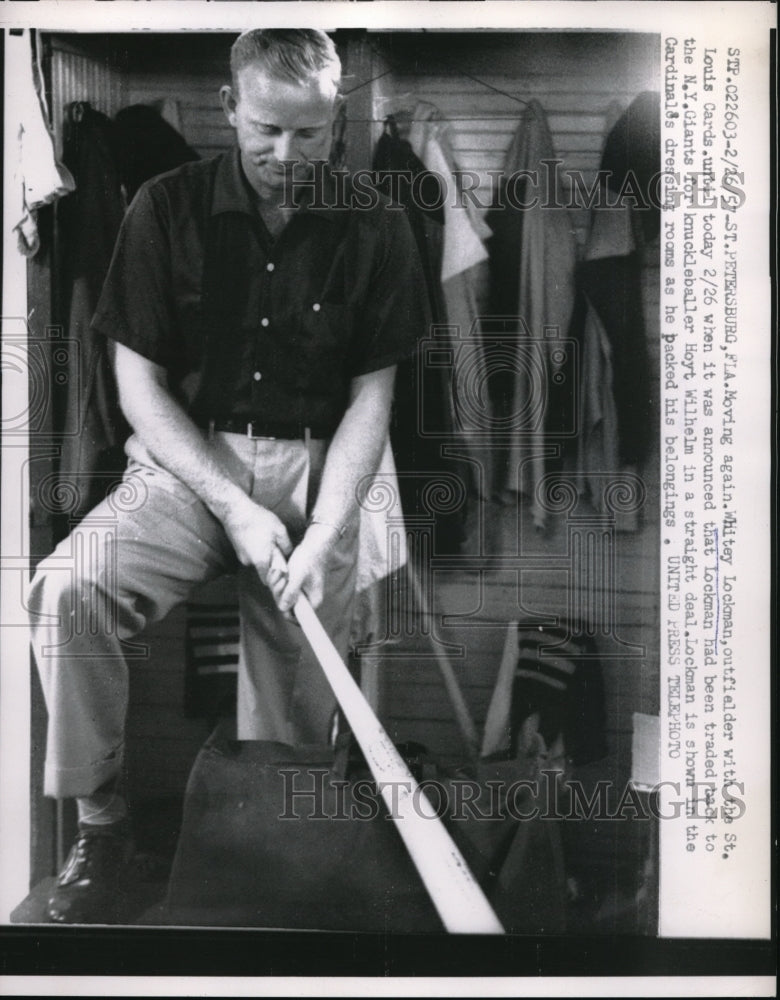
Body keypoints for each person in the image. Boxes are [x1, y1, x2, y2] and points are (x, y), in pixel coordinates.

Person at [28, 28, 428, 924]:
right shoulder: (163, 207)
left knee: (288, 693)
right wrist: (234, 504)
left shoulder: (378, 223)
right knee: (66, 593)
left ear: (338, 121)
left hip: (322, 469)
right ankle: (104, 829)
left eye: (310, 134)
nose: (287, 156)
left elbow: (373, 401)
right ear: (228, 108)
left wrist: (328, 531)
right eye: (266, 131)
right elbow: (137, 385)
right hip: (186, 464)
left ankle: (261, 870)